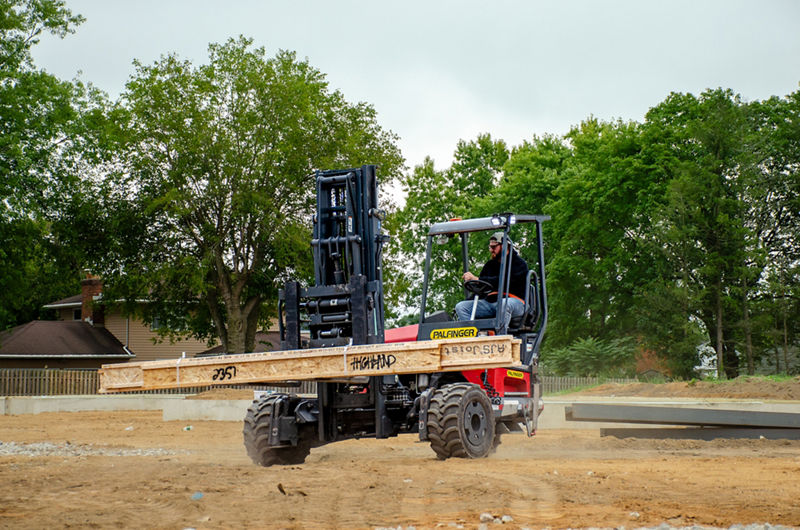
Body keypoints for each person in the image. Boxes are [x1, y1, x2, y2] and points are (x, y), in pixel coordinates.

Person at [455, 232, 528, 328]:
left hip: (514, 301)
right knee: (461, 307)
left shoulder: (519, 264)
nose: (491, 250)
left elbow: (505, 282)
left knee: (504, 304)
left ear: (505, 246)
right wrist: (474, 287)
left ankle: (500, 336)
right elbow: (481, 288)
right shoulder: (489, 265)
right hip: (490, 303)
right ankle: (472, 338)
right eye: (490, 247)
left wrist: (477, 279)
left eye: (494, 247)